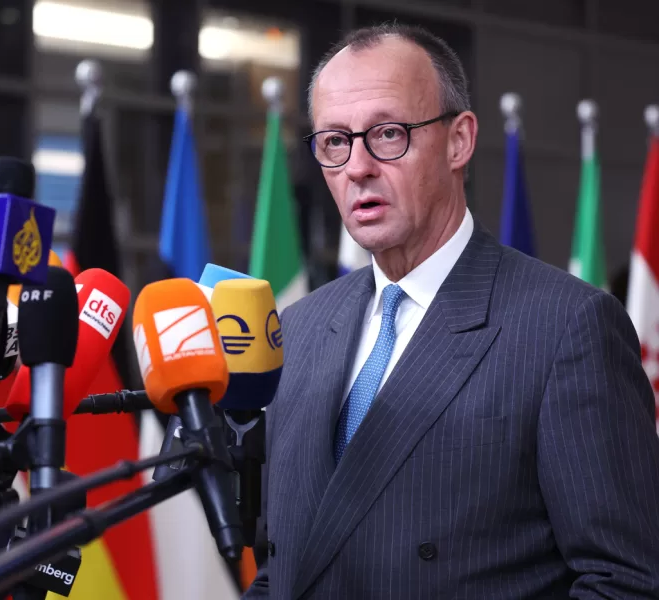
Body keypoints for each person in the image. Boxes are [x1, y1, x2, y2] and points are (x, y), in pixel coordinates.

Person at [245, 23, 659, 599]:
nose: (358, 166)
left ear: (459, 140)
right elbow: (285, 568)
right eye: (335, 141)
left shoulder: (567, 327)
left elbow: (624, 583)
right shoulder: (298, 328)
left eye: (387, 134)